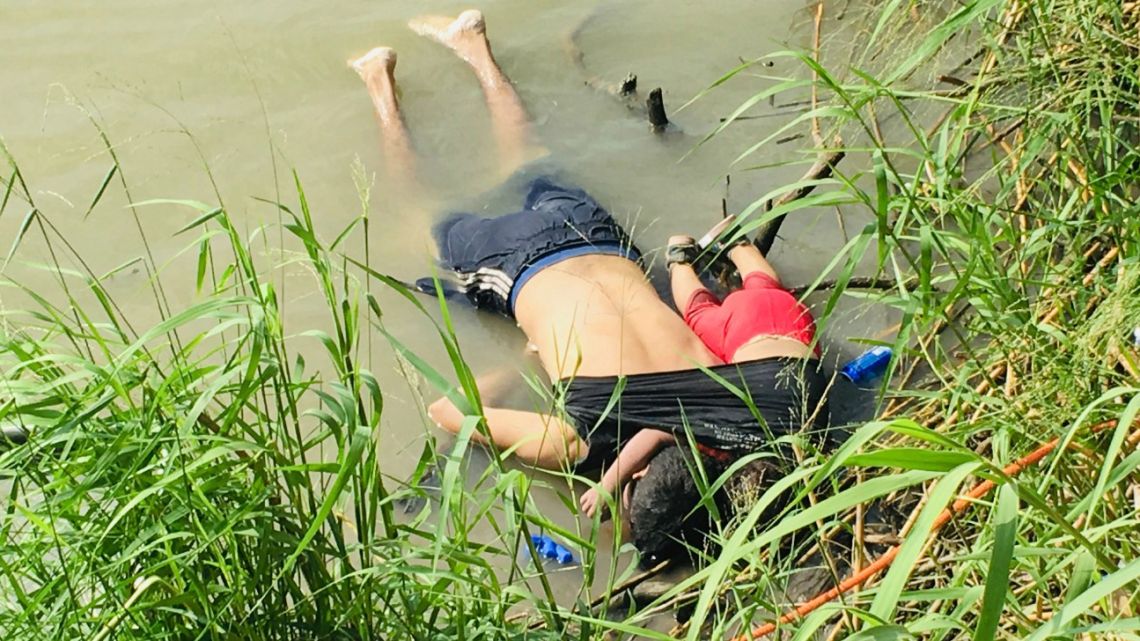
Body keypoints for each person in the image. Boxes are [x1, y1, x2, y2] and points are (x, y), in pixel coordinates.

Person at [350, 10, 829, 564]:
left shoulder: (738, 394)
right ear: (640, 474)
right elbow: (448, 410)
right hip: (518, 264)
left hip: (603, 243)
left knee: (530, 159)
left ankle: (474, 46)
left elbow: (762, 336)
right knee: (421, 217)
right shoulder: (576, 442)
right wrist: (527, 364)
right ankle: (377, 82)